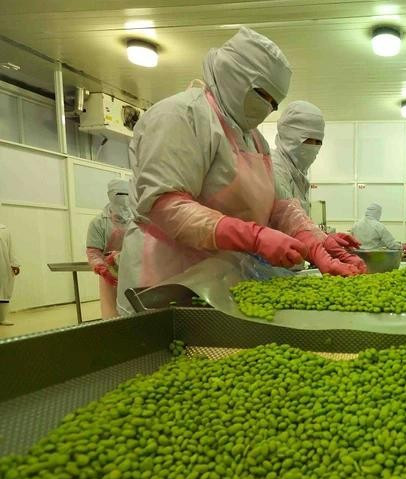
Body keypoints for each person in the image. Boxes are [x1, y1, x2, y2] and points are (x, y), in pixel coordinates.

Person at [117, 27, 362, 314]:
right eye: (262, 95)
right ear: (234, 75)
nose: (267, 108)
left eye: (274, 103)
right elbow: (167, 206)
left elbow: (280, 207)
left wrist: (315, 243)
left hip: (220, 286)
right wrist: (255, 237)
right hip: (167, 283)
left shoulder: (254, 138)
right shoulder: (181, 116)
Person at [272, 101, 365, 272]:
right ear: (289, 136)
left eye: (318, 142)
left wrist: (325, 239)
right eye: (307, 140)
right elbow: (286, 217)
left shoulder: (299, 175)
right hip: (268, 269)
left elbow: (301, 224)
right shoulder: (274, 167)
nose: (313, 147)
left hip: (291, 269)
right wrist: (321, 247)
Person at [87, 179, 133, 319]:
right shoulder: (99, 222)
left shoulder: (136, 219)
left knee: (133, 311)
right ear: (110, 195)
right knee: (111, 312)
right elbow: (93, 252)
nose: (124, 199)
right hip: (111, 274)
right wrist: (104, 269)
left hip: (133, 271)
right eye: (119, 194)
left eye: (127, 194)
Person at [0, 219, 20, 326]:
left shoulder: (4, 230)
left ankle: (2, 318)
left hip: (2, 267)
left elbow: (10, 249)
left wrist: (14, 264)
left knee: (4, 291)